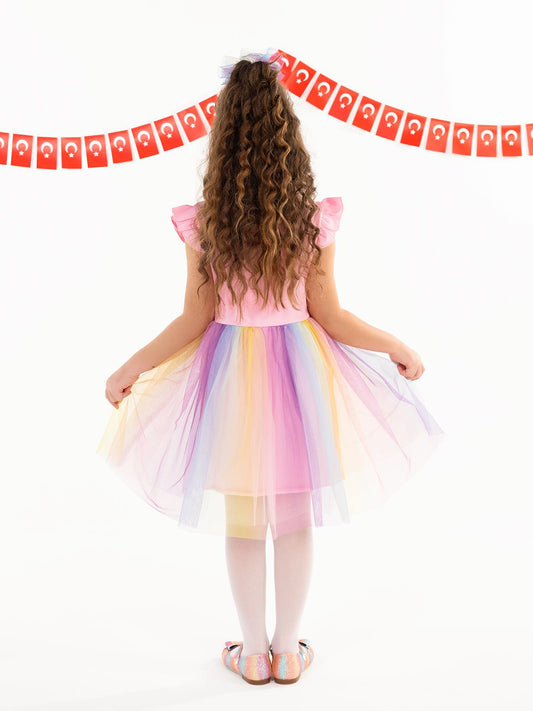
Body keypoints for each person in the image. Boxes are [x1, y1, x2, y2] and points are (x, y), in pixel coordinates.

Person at [96, 48, 445, 685]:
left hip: (230, 378)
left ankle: (252, 652)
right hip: (298, 377)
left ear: (223, 136)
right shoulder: (310, 221)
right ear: (289, 135)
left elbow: (193, 320)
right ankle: (288, 650)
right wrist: (395, 344)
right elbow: (331, 316)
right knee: (293, 518)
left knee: (243, 521)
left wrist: (130, 367)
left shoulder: (207, 225)